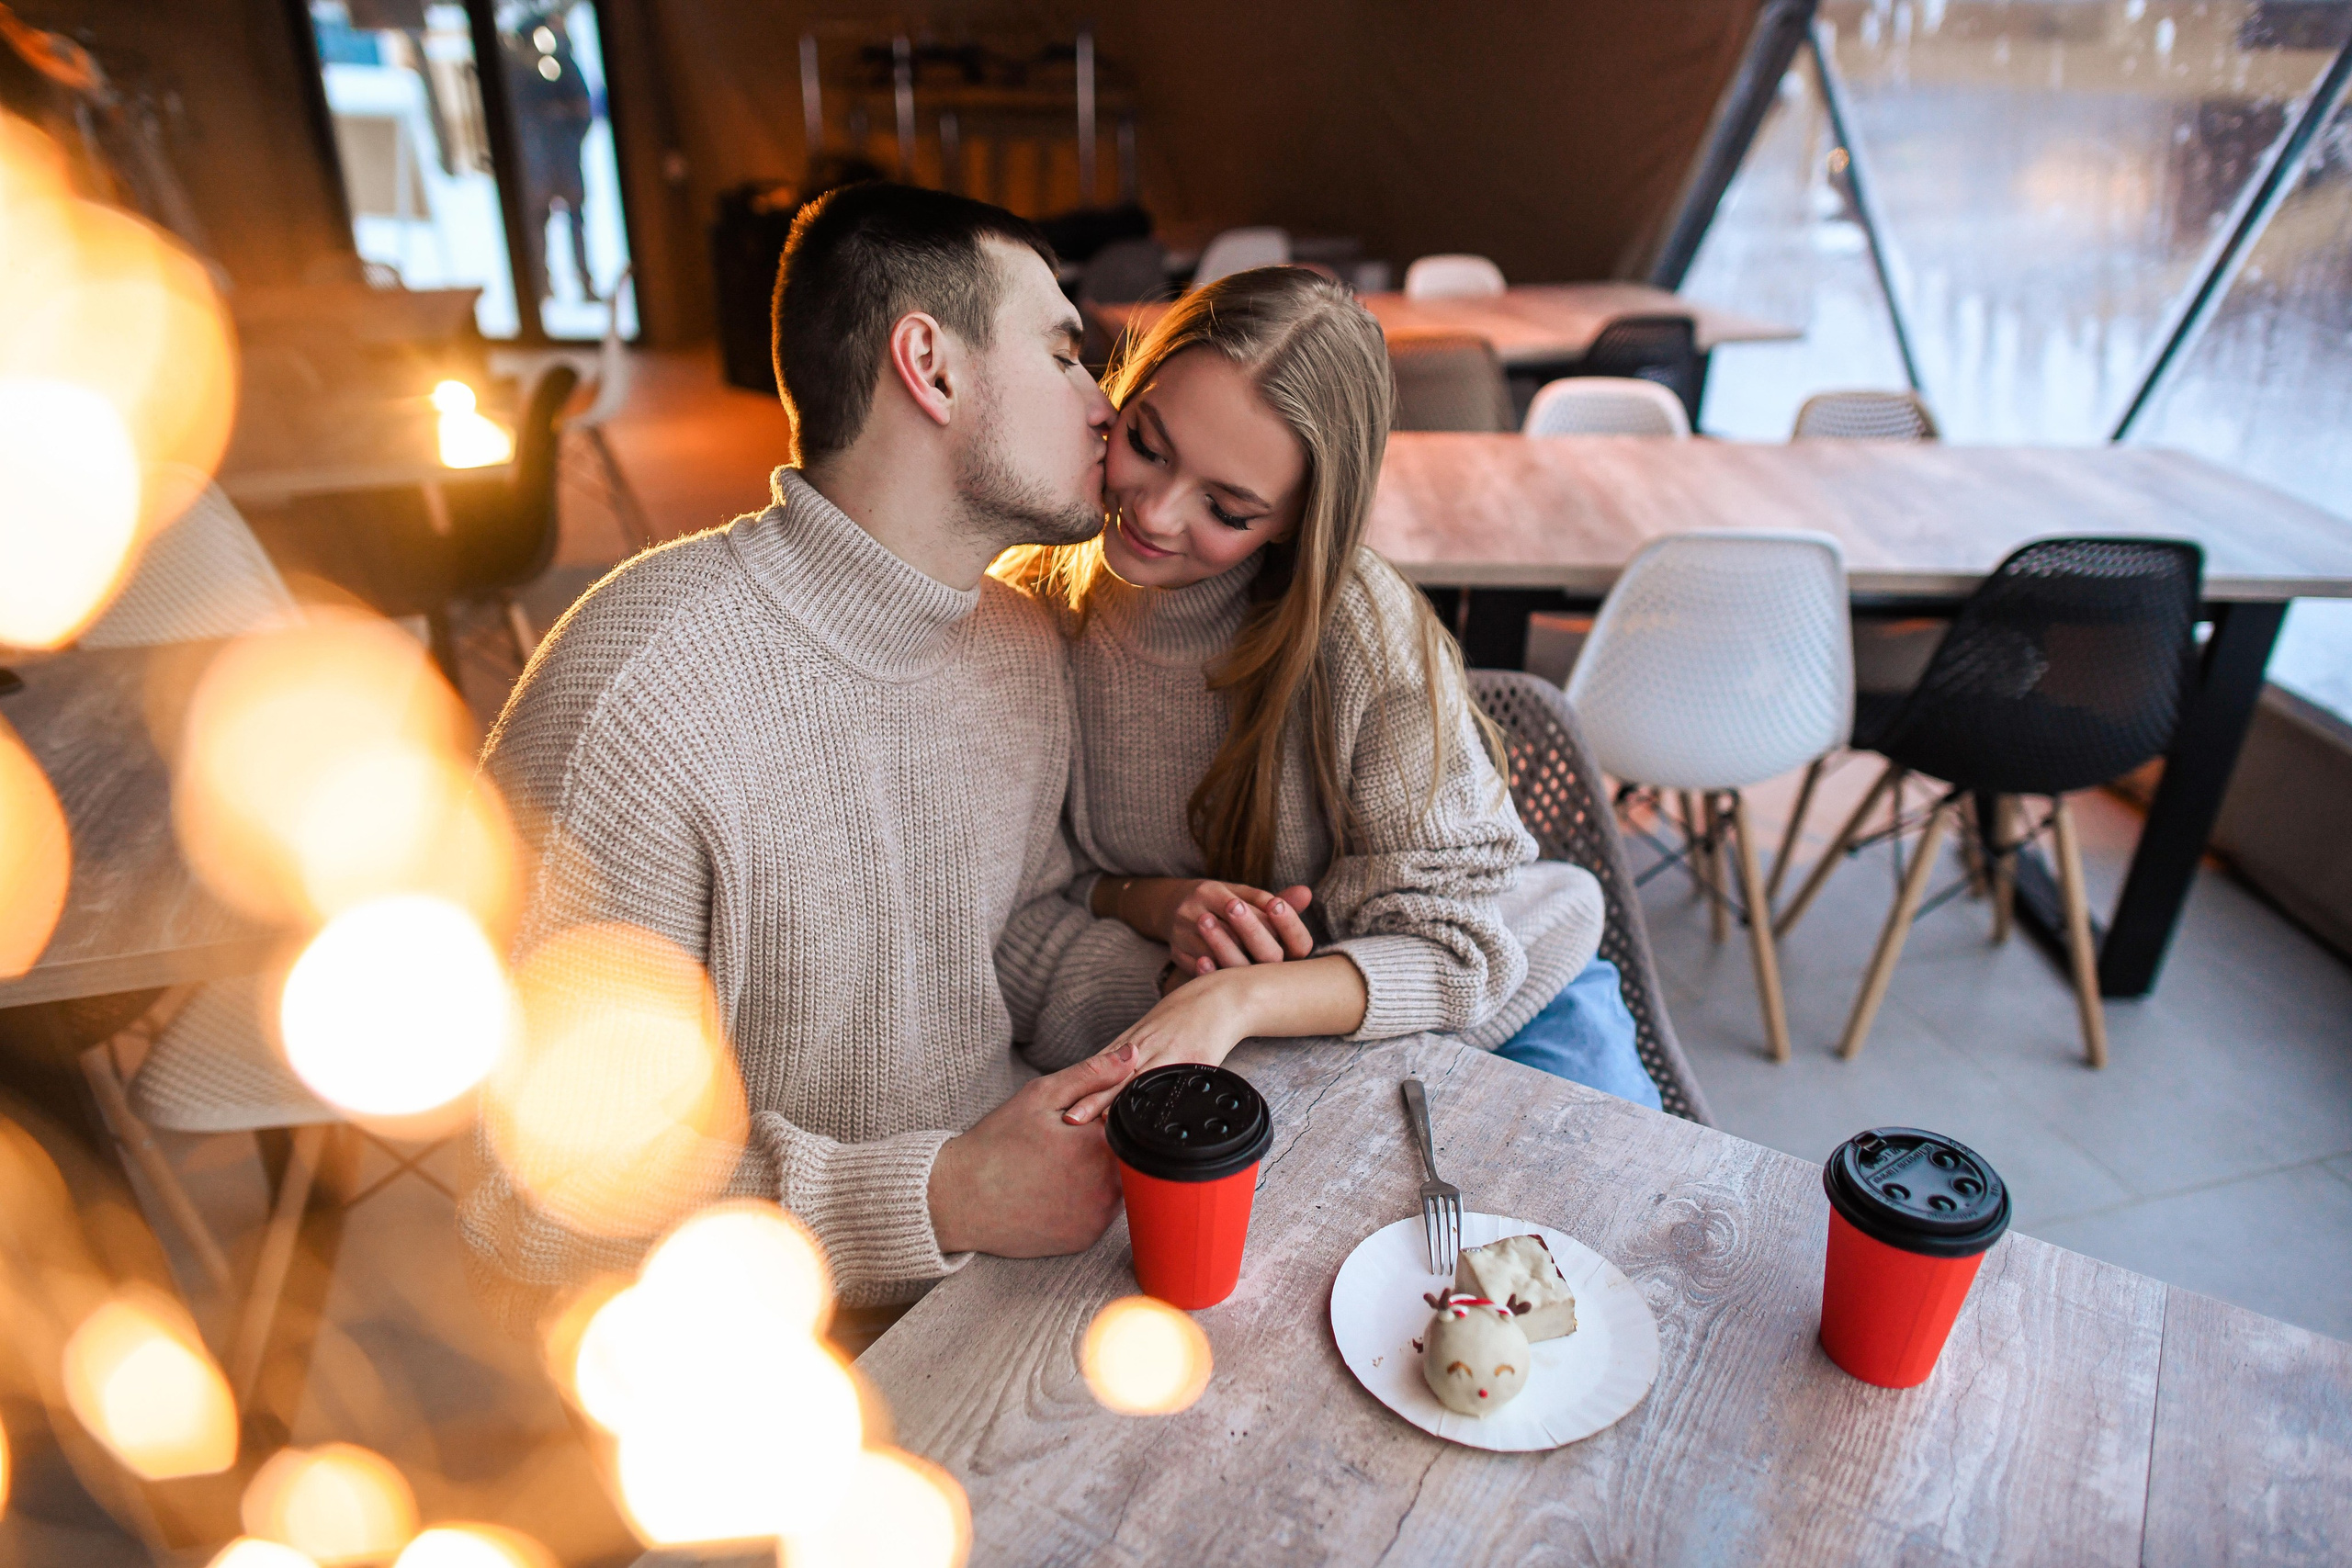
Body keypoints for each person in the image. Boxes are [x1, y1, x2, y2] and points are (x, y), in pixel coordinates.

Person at [462, 183, 1152, 1332]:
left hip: (1005, 1255)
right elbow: (544, 1195)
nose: (1103, 409)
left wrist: (1180, 995)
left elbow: (1011, 930)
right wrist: (939, 1195)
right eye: (1065, 354)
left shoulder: (1017, 642)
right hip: (762, 1351)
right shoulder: (642, 693)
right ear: (928, 366)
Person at [997, 266, 1660, 1117]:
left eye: (1228, 509)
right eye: (1148, 442)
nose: (1156, 514)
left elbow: (1460, 952)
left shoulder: (1359, 632)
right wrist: (1160, 909)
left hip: (1517, 1008)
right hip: (1284, 1053)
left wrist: (1237, 998)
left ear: (1297, 524)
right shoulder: (1030, 605)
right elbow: (1021, 907)